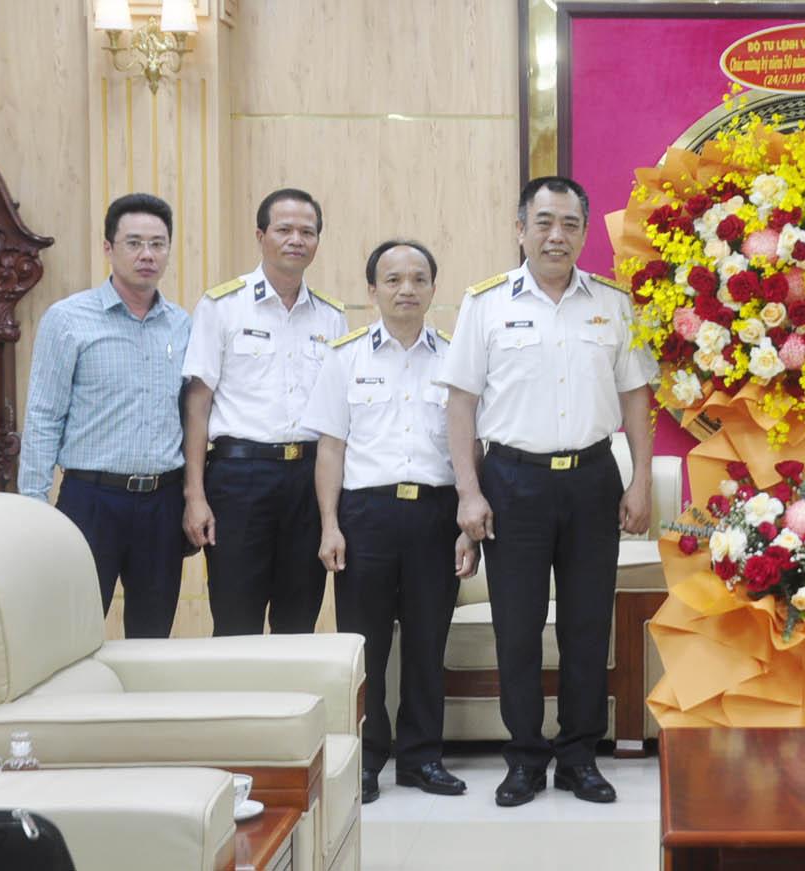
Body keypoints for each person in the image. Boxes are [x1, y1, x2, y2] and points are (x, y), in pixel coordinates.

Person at [437, 175, 657, 807]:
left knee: (588, 625)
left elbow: (636, 397)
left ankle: (580, 756)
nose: (555, 236)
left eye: (568, 225)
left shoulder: (613, 304)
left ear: (585, 233)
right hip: (513, 482)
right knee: (518, 625)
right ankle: (526, 758)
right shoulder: (485, 304)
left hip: (592, 477)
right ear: (519, 229)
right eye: (543, 223)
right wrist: (468, 494)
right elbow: (461, 405)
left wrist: (640, 477)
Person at [303, 240, 479, 804]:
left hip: (435, 513)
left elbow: (471, 449)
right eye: (394, 279)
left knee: (427, 643)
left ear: (433, 288)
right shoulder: (345, 356)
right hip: (366, 515)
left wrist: (464, 527)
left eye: (419, 278)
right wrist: (330, 525)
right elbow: (331, 449)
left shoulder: (457, 360)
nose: (407, 289)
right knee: (365, 645)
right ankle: (366, 758)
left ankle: (422, 758)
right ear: (372, 289)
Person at [18, 193, 192, 638]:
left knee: (153, 636)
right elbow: (42, 415)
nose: (147, 255)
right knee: (71, 633)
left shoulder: (183, 324)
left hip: (163, 503)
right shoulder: (68, 319)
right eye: (134, 242)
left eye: (158, 243)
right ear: (108, 248)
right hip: (91, 500)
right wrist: (33, 509)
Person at [180, 188, 346, 635]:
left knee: (299, 617)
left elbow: (338, 417)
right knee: (236, 617)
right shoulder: (222, 306)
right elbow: (198, 406)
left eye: (307, 232)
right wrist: (194, 495)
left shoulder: (332, 318)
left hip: (308, 482)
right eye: (284, 229)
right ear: (261, 235)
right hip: (240, 478)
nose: (296, 239)